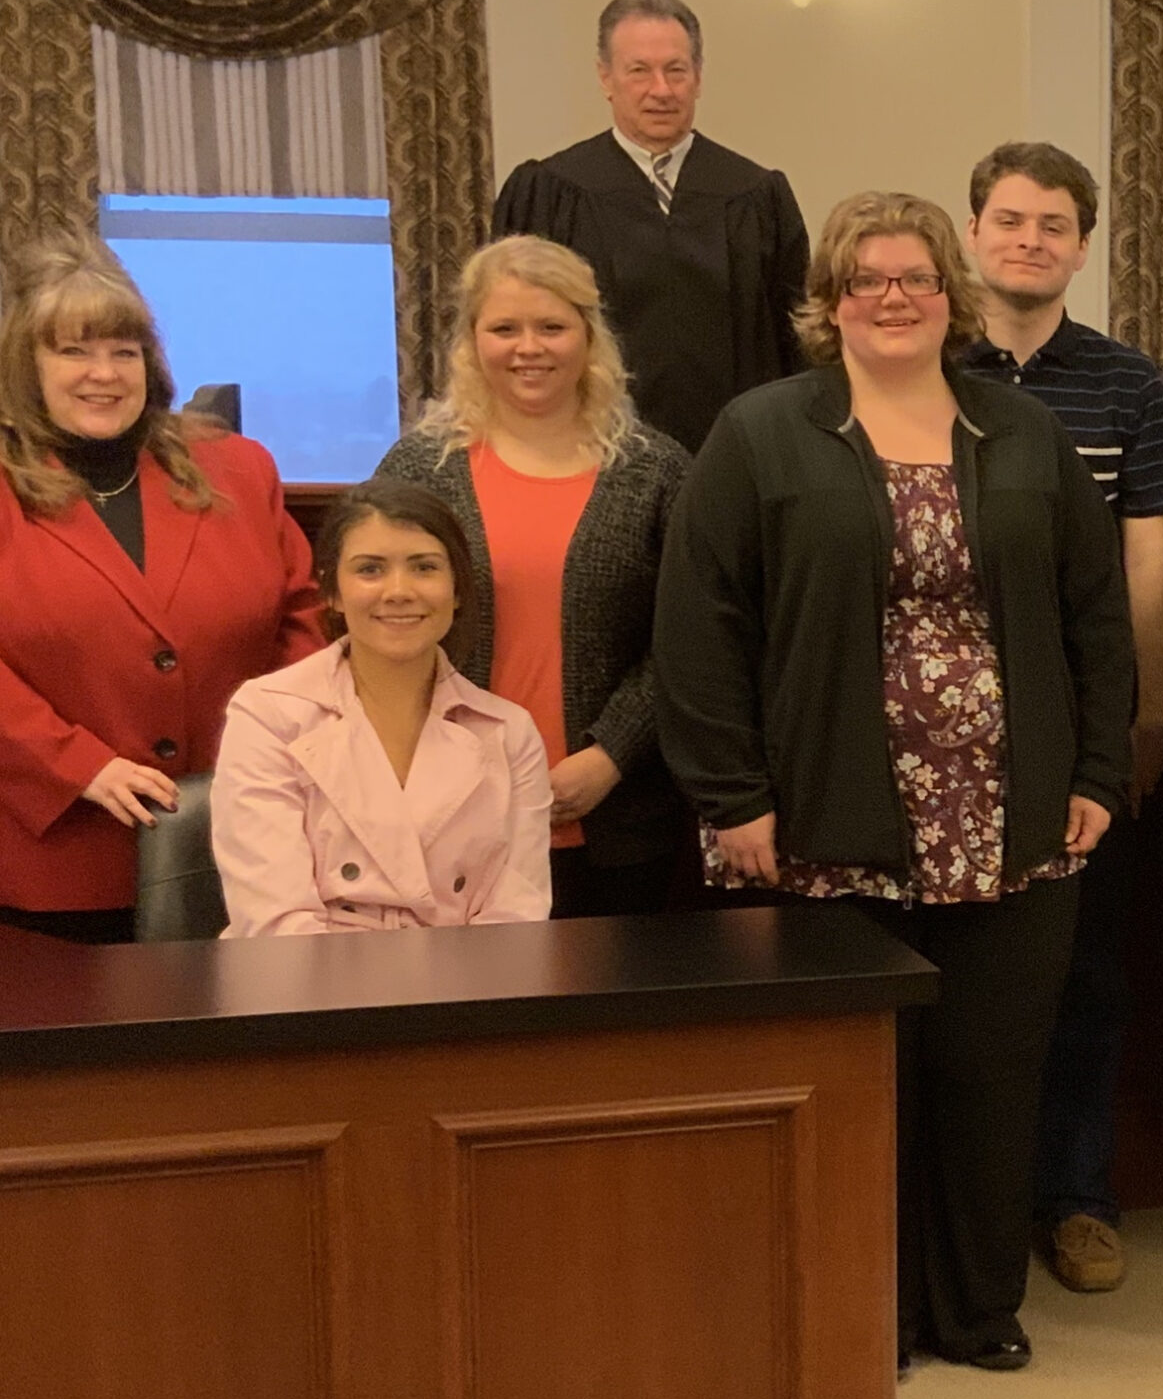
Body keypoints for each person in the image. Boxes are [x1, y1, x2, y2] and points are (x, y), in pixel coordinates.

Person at [655, 190, 1132, 1372]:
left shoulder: (1021, 434)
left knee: (990, 1075)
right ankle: (870, 1316)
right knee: (863, 1081)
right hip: (824, 811)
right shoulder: (761, 432)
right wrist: (732, 795)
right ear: (828, 302)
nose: (893, 297)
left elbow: (1094, 617)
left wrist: (1099, 770)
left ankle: (977, 1308)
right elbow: (699, 626)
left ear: (950, 295)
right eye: (864, 278)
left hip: (1011, 814)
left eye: (916, 276)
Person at [957, 141, 1163, 1295]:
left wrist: (1144, 718)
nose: (1029, 240)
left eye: (1053, 224)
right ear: (975, 234)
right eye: (1010, 220)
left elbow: (1147, 561)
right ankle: (956, 1211)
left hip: (1078, 724)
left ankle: (1078, 1199)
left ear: (1082, 247)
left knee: (1084, 977)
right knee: (953, 983)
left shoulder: (1126, 381)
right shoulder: (923, 363)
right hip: (938, 731)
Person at [0, 234, 324, 944]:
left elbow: (302, 623)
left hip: (242, 849)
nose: (104, 374)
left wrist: (267, 751)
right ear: (25, 365)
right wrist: (77, 765)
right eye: (73, 351)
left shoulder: (236, 469)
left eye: (125, 350)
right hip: (55, 859)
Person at [375, 235, 692, 918]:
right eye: (505, 328)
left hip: (618, 819)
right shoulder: (419, 468)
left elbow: (691, 640)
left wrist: (612, 754)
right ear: (471, 339)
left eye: (552, 326)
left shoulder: (655, 471)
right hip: (448, 814)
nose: (530, 348)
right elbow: (374, 628)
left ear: (589, 336)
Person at [212, 481, 552, 934]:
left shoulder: (509, 732)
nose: (398, 591)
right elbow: (276, 925)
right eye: (370, 570)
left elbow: (516, 923)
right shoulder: (267, 715)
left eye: (424, 568)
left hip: (468, 992)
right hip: (306, 991)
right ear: (331, 591)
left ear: (457, 591)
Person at [492, 0, 809, 453]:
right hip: (585, 453)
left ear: (698, 77)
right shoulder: (547, 192)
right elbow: (508, 328)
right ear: (606, 77)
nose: (660, 90)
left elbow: (796, 344)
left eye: (676, 70)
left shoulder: (757, 195)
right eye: (639, 70)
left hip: (735, 457)